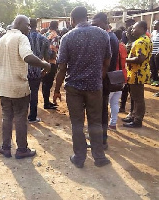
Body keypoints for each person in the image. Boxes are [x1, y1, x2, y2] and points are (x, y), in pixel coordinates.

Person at [53, 7, 111, 168]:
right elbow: (107, 61)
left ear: (72, 20)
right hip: (95, 87)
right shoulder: (102, 34)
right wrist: (100, 76)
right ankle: (99, 157)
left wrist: (57, 89)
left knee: (77, 123)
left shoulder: (67, 37)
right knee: (95, 122)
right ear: (87, 17)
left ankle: (79, 157)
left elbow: (62, 68)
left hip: (74, 88)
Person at [0, 15, 51, 159]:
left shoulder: (1, 39)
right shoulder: (21, 38)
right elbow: (27, 57)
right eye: (28, 25)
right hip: (18, 86)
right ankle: (22, 149)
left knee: (6, 117)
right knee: (20, 118)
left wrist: (4, 71)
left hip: (3, 86)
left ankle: (5, 147)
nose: (29, 28)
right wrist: (45, 64)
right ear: (20, 24)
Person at [92, 12, 119, 149]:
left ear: (104, 22)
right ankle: (99, 138)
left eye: (96, 24)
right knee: (99, 110)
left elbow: (106, 63)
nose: (95, 27)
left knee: (101, 111)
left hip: (104, 80)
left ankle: (102, 141)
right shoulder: (108, 37)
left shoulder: (109, 38)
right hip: (103, 79)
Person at [123, 21, 152, 128]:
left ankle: (137, 120)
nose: (132, 30)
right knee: (135, 97)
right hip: (138, 73)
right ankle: (133, 116)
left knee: (138, 98)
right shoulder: (145, 39)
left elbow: (140, 59)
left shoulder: (140, 42)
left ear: (142, 28)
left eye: (135, 28)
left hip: (137, 74)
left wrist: (124, 60)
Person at [28, 18, 51, 123]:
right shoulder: (44, 39)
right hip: (36, 70)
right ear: (36, 25)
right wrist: (45, 70)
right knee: (34, 93)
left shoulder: (22, 38)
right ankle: (32, 117)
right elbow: (47, 57)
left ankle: (20, 117)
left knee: (21, 94)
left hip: (22, 70)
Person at [108, 29, 128, 130]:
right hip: (121, 75)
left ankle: (103, 126)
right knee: (115, 103)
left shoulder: (112, 46)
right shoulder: (123, 46)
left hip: (111, 76)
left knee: (104, 103)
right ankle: (113, 123)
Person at [42, 21, 59, 109]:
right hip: (51, 62)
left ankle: (46, 101)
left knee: (44, 82)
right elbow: (52, 50)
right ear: (57, 26)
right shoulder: (55, 36)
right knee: (48, 83)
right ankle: (46, 103)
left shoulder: (45, 34)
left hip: (43, 62)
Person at [150, 20, 159, 86]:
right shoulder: (153, 32)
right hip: (152, 52)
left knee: (157, 67)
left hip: (158, 53)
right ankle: (155, 79)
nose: (153, 26)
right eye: (153, 24)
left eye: (155, 24)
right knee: (152, 66)